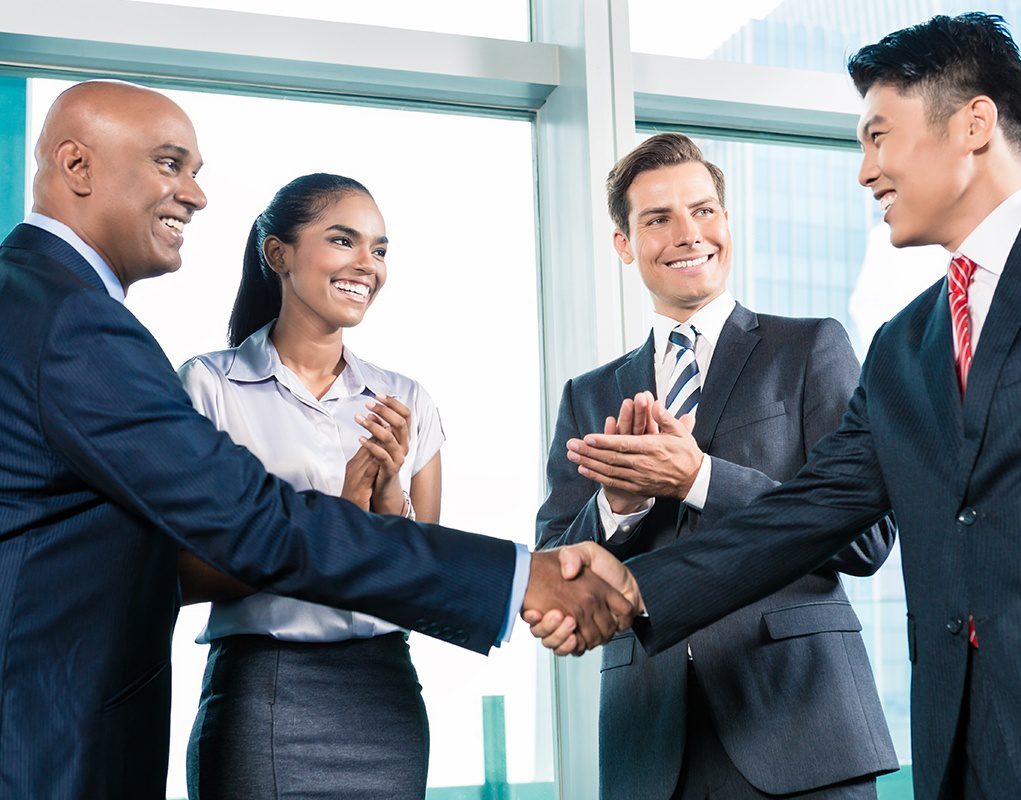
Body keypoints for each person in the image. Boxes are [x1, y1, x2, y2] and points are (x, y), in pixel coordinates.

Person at [0, 79, 632, 799]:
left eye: (197, 172)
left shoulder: (41, 302)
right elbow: (242, 527)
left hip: (374, 694)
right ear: (78, 167)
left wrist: (386, 504)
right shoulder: (79, 326)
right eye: (169, 164)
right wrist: (520, 577)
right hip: (77, 733)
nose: (198, 196)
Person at [542, 12, 1021, 800]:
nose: (865, 171)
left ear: (974, 123)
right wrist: (633, 589)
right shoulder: (908, 344)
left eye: (880, 137)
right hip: (966, 739)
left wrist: (695, 479)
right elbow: (808, 514)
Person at [536, 133, 897, 800]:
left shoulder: (811, 348)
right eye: (658, 218)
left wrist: (698, 478)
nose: (688, 234)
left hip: (799, 725)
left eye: (704, 211)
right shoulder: (588, 396)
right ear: (624, 244)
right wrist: (618, 508)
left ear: (726, 223)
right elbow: (555, 568)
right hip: (650, 742)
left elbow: (868, 538)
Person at [178, 174, 443, 798]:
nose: (367, 265)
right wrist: (337, 515)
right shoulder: (208, 387)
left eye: (379, 249)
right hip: (264, 692)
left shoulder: (406, 402)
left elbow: (428, 593)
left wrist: (385, 506)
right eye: (343, 240)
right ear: (279, 254)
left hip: (385, 697)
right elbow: (182, 571)